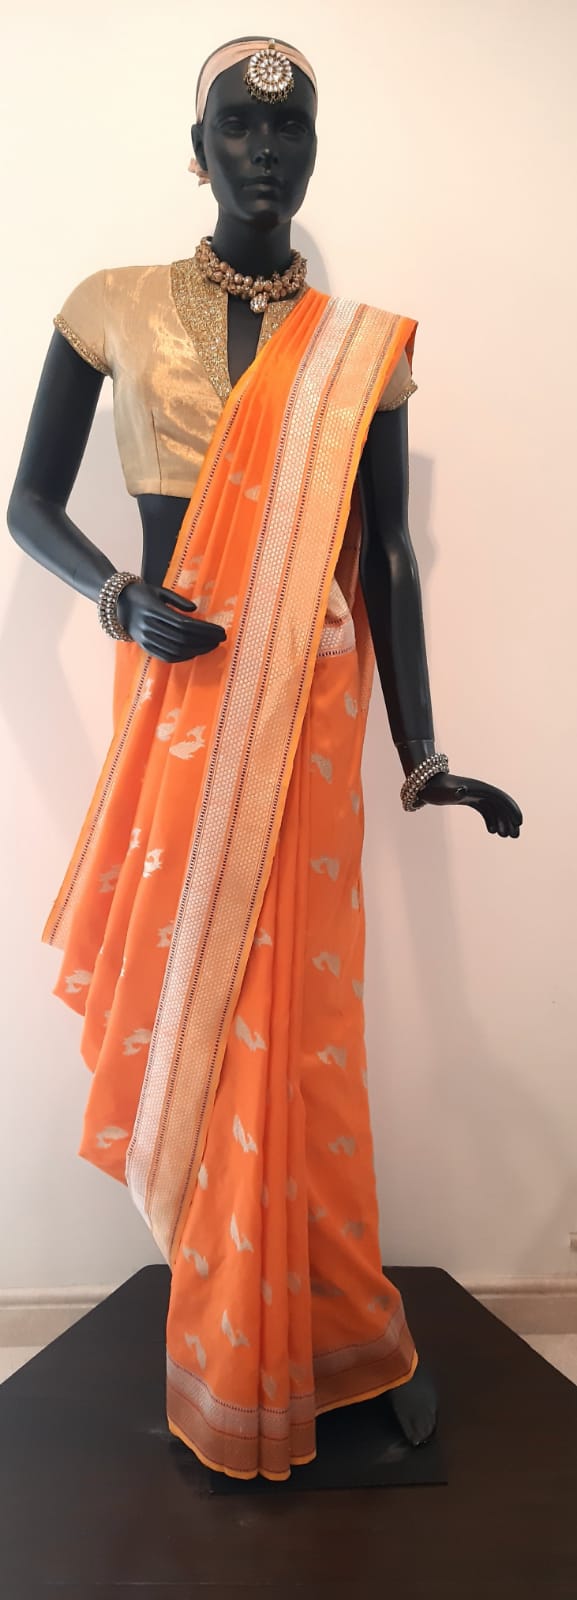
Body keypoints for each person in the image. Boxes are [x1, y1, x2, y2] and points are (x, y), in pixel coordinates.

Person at [7, 36, 522, 1482]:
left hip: (309, 718)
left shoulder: (362, 348)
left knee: (303, 1031)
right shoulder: (109, 307)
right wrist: (116, 595)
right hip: (175, 710)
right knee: (196, 1010)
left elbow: (390, 554)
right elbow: (28, 504)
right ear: (197, 150)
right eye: (236, 127)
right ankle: (227, 1325)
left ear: (313, 154)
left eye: (287, 132)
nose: (263, 150)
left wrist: (422, 751)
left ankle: (335, 1328)